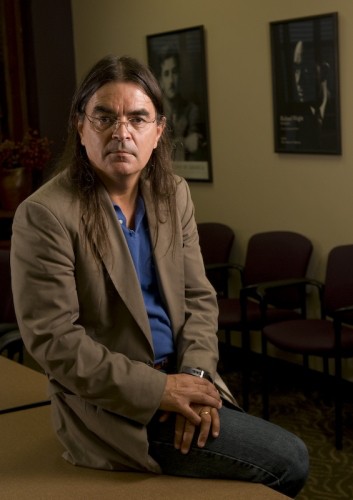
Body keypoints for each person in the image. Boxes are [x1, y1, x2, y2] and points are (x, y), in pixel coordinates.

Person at [10, 55, 308, 497]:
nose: (121, 132)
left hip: (186, 378)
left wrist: (197, 381)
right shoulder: (45, 214)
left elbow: (198, 299)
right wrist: (160, 391)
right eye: (104, 117)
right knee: (289, 461)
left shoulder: (174, 194)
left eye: (137, 118)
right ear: (80, 126)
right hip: (115, 405)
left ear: (159, 130)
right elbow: (55, 341)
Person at [158, 48, 207, 161]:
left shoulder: (192, 110)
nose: (171, 80)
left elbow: (194, 146)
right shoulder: (155, 113)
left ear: (180, 75)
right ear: (161, 81)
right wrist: (185, 143)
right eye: (166, 74)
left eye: (174, 72)